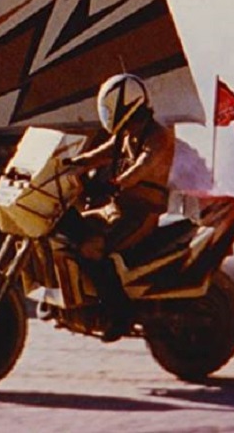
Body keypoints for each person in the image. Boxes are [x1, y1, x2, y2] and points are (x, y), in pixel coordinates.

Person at [66, 73, 176, 340]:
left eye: (109, 109)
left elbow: (142, 167)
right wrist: (68, 164)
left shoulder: (158, 137)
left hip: (140, 215)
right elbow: (98, 155)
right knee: (72, 230)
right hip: (117, 209)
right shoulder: (126, 135)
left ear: (126, 105)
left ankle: (120, 314)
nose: (107, 115)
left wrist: (115, 184)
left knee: (94, 250)